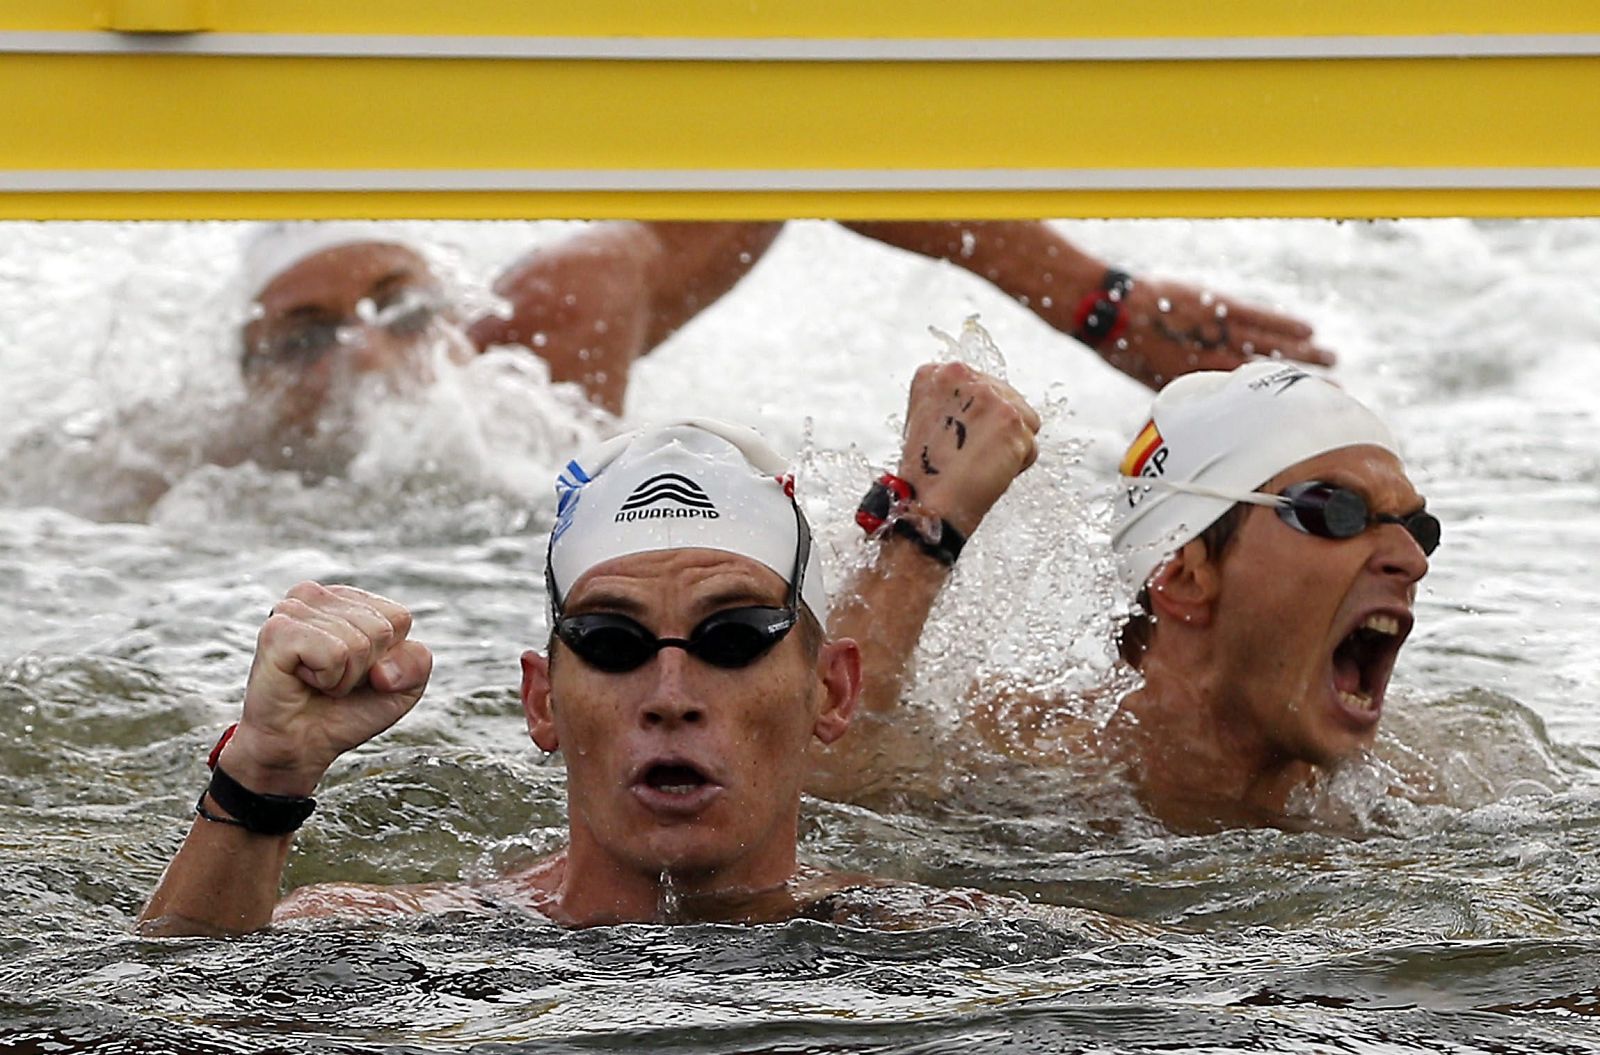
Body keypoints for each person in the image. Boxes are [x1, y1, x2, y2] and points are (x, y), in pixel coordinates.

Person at [137, 392, 1041, 934]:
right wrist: (265, 776)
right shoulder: (410, 933)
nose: (671, 695)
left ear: (833, 691)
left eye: (733, 638)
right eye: (612, 643)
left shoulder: (940, 942)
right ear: (542, 701)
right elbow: (175, 1014)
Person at [816, 360, 1439, 831]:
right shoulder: (1027, 762)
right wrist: (926, 529)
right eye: (1336, 512)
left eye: (1419, 527)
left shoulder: (1422, 799)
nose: (1412, 560)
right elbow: (813, 778)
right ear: (1187, 578)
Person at [239, 219, 1330, 437]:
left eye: (402, 307)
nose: (364, 352)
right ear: (237, 378)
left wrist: (1099, 300)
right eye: (301, 339)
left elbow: (783, 138)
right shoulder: (180, 475)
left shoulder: (543, 334)